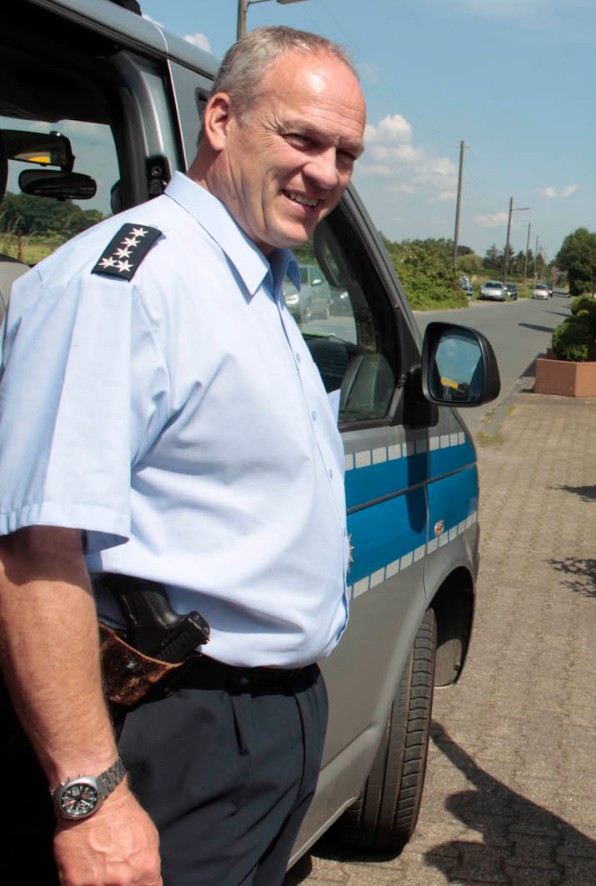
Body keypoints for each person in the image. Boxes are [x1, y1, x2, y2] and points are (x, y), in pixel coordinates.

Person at [0, 26, 364, 885]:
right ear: (222, 119)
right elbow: (34, 551)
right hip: (170, 726)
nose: (327, 173)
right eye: (303, 139)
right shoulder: (128, 286)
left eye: (347, 153)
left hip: (265, 724)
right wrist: (88, 792)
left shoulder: (258, 276)